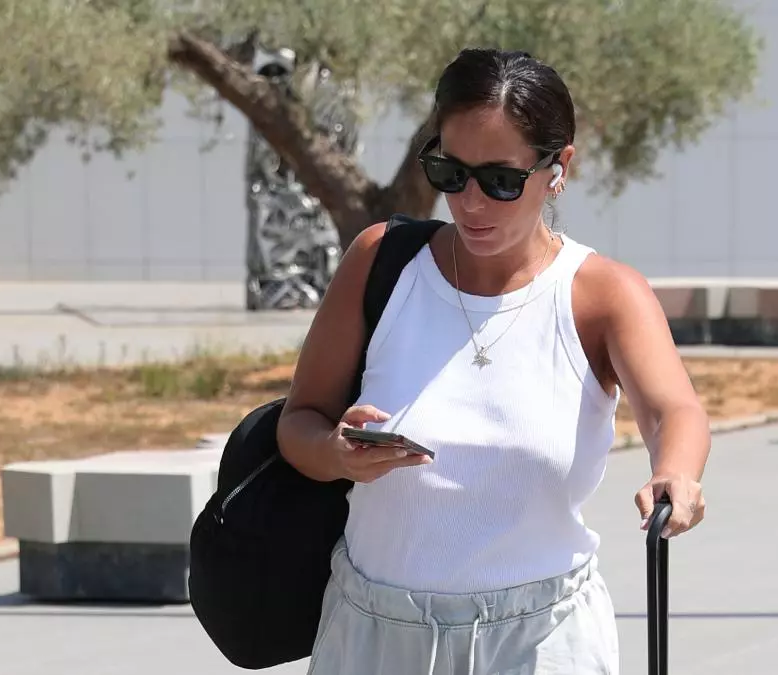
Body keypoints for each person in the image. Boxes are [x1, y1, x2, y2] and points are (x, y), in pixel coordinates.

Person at [277, 47, 712, 675]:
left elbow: (674, 410)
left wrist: (676, 472)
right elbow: (300, 421)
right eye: (450, 172)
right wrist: (336, 453)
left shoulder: (602, 294)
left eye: (501, 181)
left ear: (558, 168)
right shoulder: (382, 263)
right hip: (374, 635)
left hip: (540, 642)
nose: (472, 203)